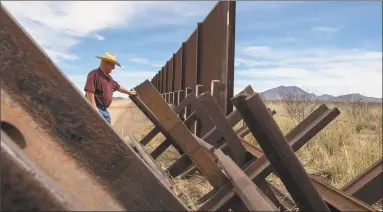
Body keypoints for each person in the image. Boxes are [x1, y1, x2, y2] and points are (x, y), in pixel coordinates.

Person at [84, 52, 136, 123]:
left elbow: (119, 87)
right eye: (113, 65)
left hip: (104, 111)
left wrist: (129, 92)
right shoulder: (94, 74)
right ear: (106, 63)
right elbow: (89, 92)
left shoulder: (109, 78)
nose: (114, 68)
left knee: (106, 132)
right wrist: (94, 109)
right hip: (97, 109)